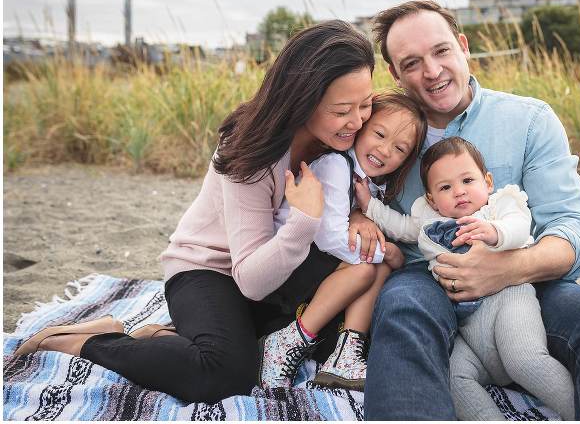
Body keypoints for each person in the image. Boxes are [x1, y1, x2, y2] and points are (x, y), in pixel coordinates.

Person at [13, 20, 375, 404]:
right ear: (302, 100)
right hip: (210, 269)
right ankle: (91, 341)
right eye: (341, 110)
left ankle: (163, 338)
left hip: (281, 276)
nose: (357, 120)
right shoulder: (250, 151)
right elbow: (251, 279)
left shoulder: (348, 140)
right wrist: (304, 221)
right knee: (225, 373)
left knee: (338, 341)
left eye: (365, 104)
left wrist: (358, 215)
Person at [355, 0, 580, 420]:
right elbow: (338, 178)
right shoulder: (378, 126)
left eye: (441, 51)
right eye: (412, 62)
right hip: (427, 279)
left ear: (463, 46)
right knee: (400, 314)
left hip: (524, 277)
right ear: (394, 74)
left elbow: (572, 227)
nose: (431, 71)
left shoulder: (529, 120)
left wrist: (507, 268)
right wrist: (358, 214)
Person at [355, 135, 574, 420]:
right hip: (463, 323)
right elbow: (401, 227)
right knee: (454, 378)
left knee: (525, 360)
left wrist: (496, 233)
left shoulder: (499, 206)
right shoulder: (429, 218)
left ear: (488, 182)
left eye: (468, 181)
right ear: (432, 199)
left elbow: (520, 227)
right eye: (446, 187)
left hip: (508, 299)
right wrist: (369, 207)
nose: (459, 192)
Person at [256, 91, 427, 391]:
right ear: (361, 126)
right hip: (288, 266)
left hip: (315, 266)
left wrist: (379, 244)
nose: (385, 150)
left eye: (399, 148)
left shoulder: (369, 183)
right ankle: (286, 342)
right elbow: (332, 239)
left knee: (375, 265)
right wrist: (387, 252)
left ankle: (346, 352)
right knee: (366, 267)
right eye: (379, 133)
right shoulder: (336, 166)